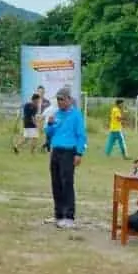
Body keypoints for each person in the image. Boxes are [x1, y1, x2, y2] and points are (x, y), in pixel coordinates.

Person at [43, 88, 85, 228]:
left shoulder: (76, 115)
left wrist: (79, 153)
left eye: (62, 99)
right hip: (56, 150)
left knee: (67, 182)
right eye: (58, 100)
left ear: (68, 99)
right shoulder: (56, 114)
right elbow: (49, 134)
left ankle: (69, 216)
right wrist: (49, 124)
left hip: (69, 151)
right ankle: (58, 214)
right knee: (56, 182)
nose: (60, 102)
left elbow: (81, 135)